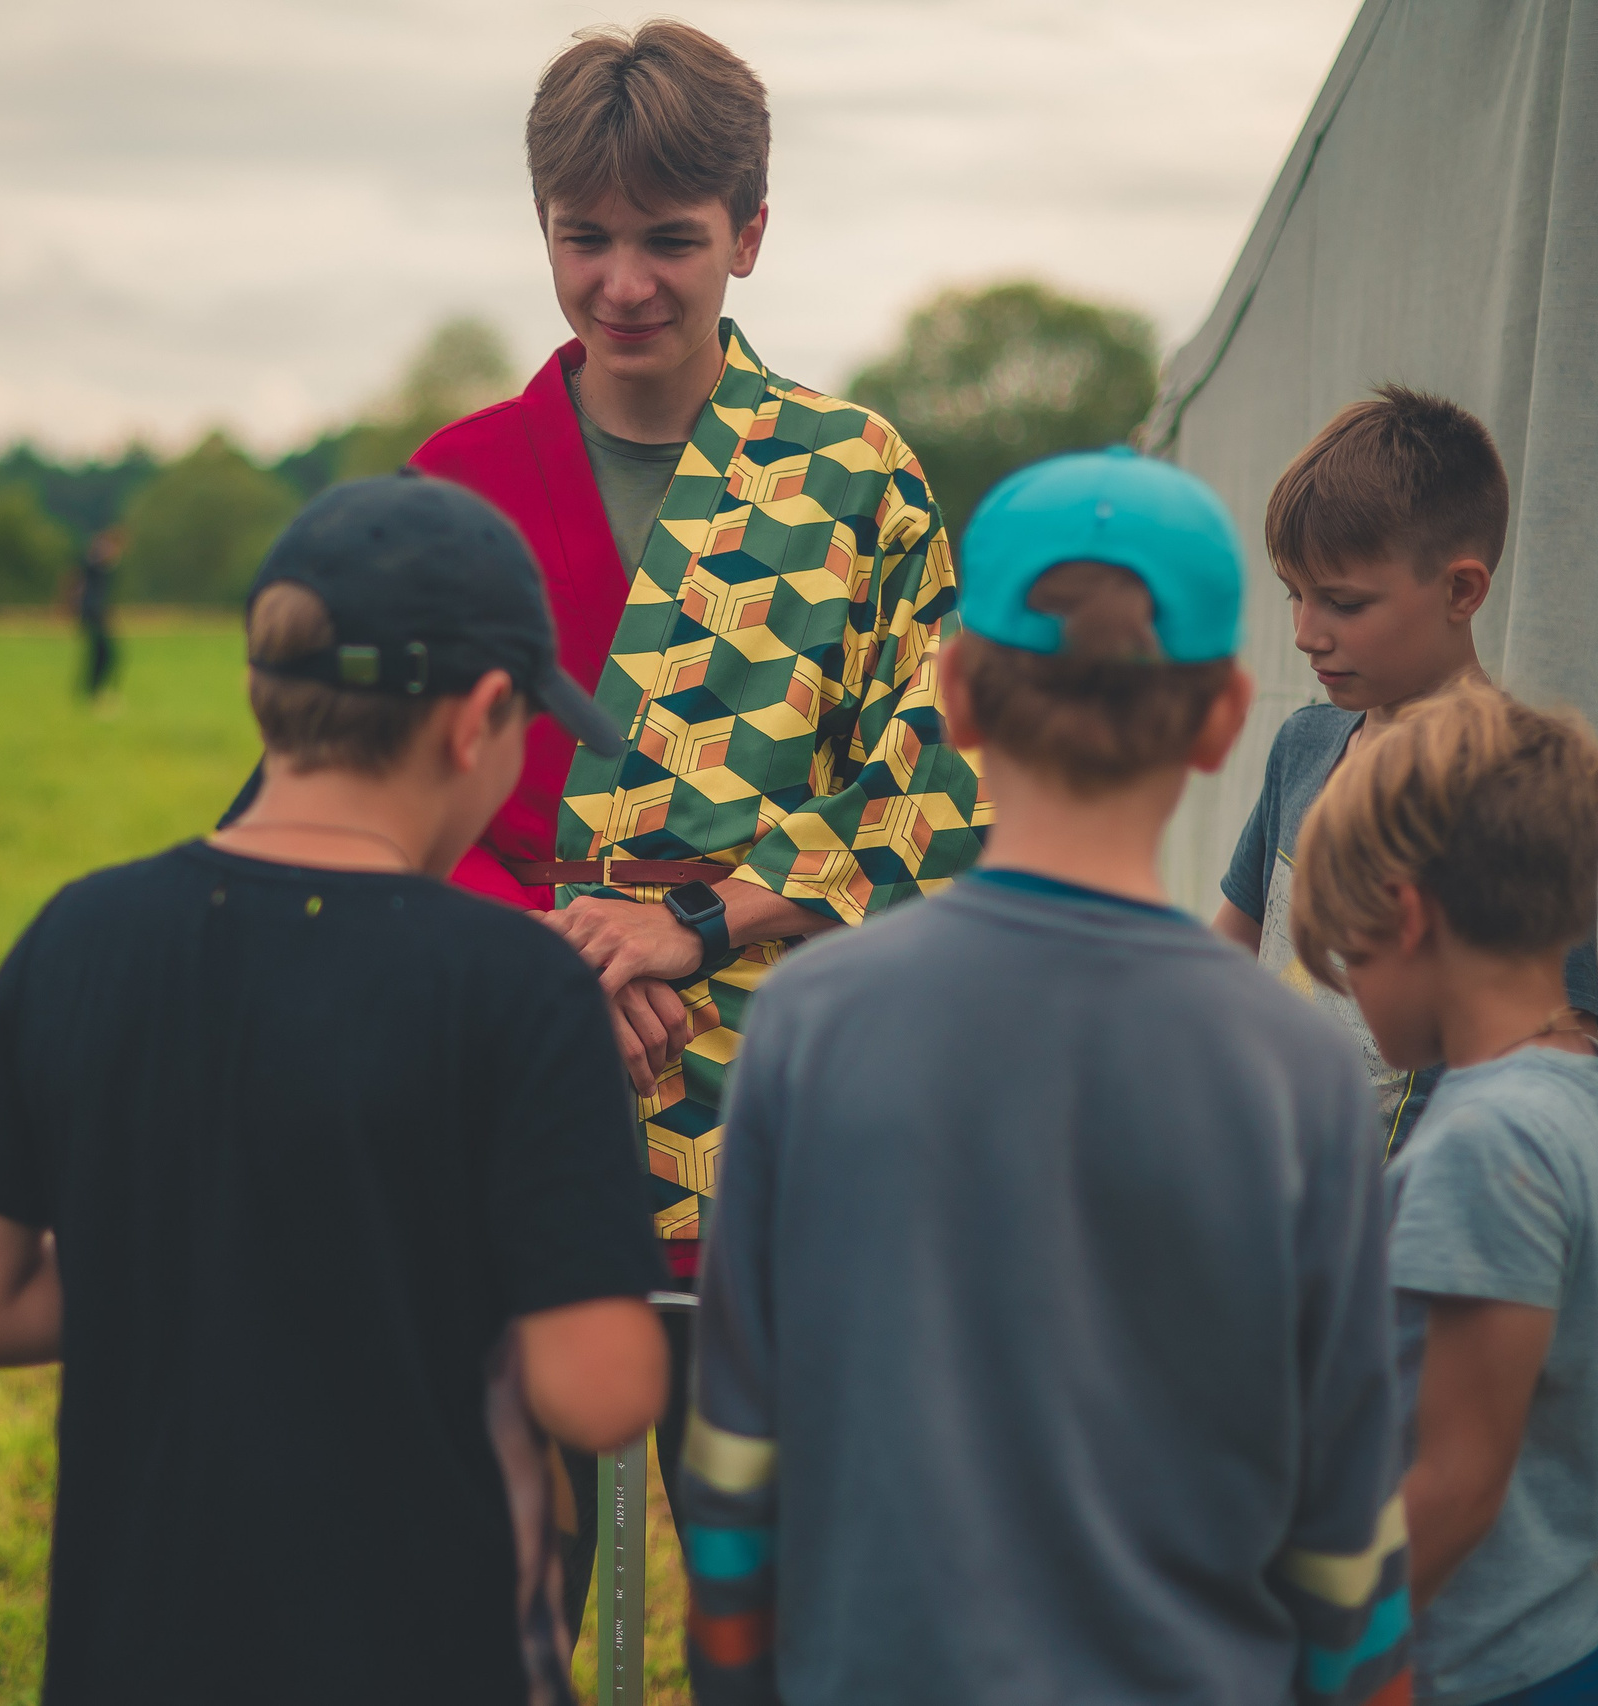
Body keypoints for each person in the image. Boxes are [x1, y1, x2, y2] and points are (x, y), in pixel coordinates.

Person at [0, 474, 670, 1706]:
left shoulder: (82, 933)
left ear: (265, 692)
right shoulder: (520, 986)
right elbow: (599, 1381)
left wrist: (213, 1265)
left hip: (134, 1653)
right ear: (478, 718)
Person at [407, 21, 988, 1615]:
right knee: (500, 1585)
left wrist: (699, 921)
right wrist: (555, 971)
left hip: (785, 1100)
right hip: (511, 1082)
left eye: (669, 239)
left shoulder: (855, 477)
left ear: (749, 232)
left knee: (784, 1593)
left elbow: (936, 793)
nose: (622, 284)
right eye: (582, 238)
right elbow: (384, 799)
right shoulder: (452, 483)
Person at [682, 450, 1411, 1706]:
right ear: (1226, 715)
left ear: (955, 696)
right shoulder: (1298, 1065)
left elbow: (739, 1450)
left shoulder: (812, 1019)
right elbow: (1345, 1519)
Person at [1291, 683, 1598, 1706]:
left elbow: (1455, 1478)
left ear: (1405, 918)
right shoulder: (1584, 1088)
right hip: (1561, 1637)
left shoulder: (1483, 1141)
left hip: (1475, 1669)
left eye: (1345, 957)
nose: (1346, 990)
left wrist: (1307, 1651)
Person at [1213, 387, 1598, 1151]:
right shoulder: (1302, 746)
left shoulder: (1516, 789)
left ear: (1461, 589)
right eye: (1295, 595)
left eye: (1342, 603)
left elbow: (1558, 1053)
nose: (1303, 634)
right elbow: (1226, 957)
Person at [74, 525, 121, 698]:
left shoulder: (102, 567)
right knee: (103, 652)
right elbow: (76, 584)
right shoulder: (91, 564)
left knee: (103, 653)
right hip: (91, 612)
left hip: (97, 612)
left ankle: (93, 691)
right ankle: (93, 692)